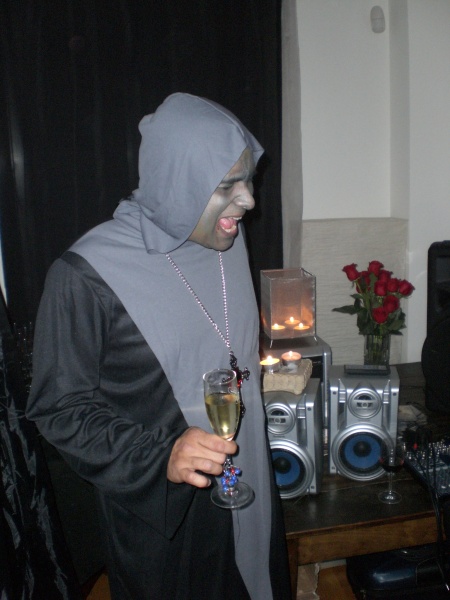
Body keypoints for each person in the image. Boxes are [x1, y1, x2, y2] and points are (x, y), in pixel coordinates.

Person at [26, 93, 291, 600]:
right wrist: (161, 456)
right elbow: (58, 408)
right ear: (178, 182)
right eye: (227, 186)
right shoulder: (84, 275)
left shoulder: (228, 240)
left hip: (250, 487)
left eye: (248, 180)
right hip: (165, 519)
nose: (249, 201)